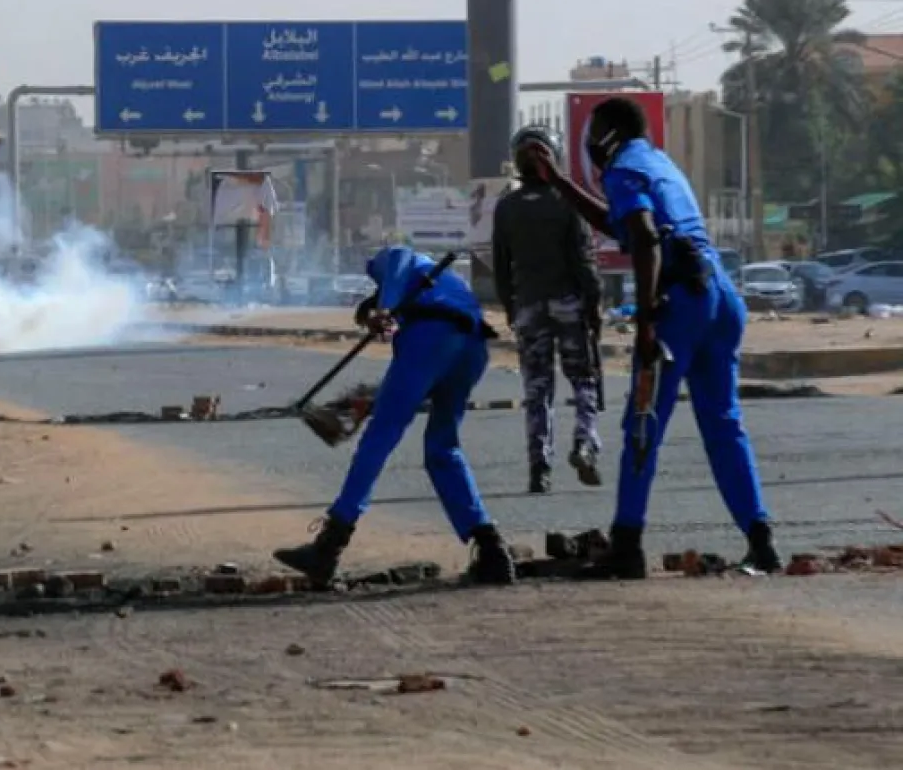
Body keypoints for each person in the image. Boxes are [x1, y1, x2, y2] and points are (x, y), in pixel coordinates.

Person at [522, 96, 781, 578]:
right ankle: (760, 540)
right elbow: (614, 221)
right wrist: (559, 181)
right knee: (724, 425)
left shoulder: (622, 169)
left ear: (610, 136)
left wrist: (644, 321)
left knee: (643, 424)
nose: (590, 144)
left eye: (594, 133)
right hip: (721, 298)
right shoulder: (659, 164)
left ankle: (627, 546)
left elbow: (642, 236)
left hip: (680, 304)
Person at [273, 245, 516, 587]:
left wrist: (385, 307)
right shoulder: (435, 289)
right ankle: (491, 548)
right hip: (472, 347)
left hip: (435, 338)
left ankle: (328, 547)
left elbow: (399, 258)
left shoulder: (395, 265)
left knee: (379, 439)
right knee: (442, 448)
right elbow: (419, 380)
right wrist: (369, 399)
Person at [492, 125, 604, 494]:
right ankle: (584, 444)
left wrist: (512, 309)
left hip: (528, 305)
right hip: (568, 302)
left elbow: (501, 265)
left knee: (537, 389)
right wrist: (595, 305)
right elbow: (584, 261)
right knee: (584, 380)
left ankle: (540, 467)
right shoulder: (567, 201)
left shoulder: (506, 206)